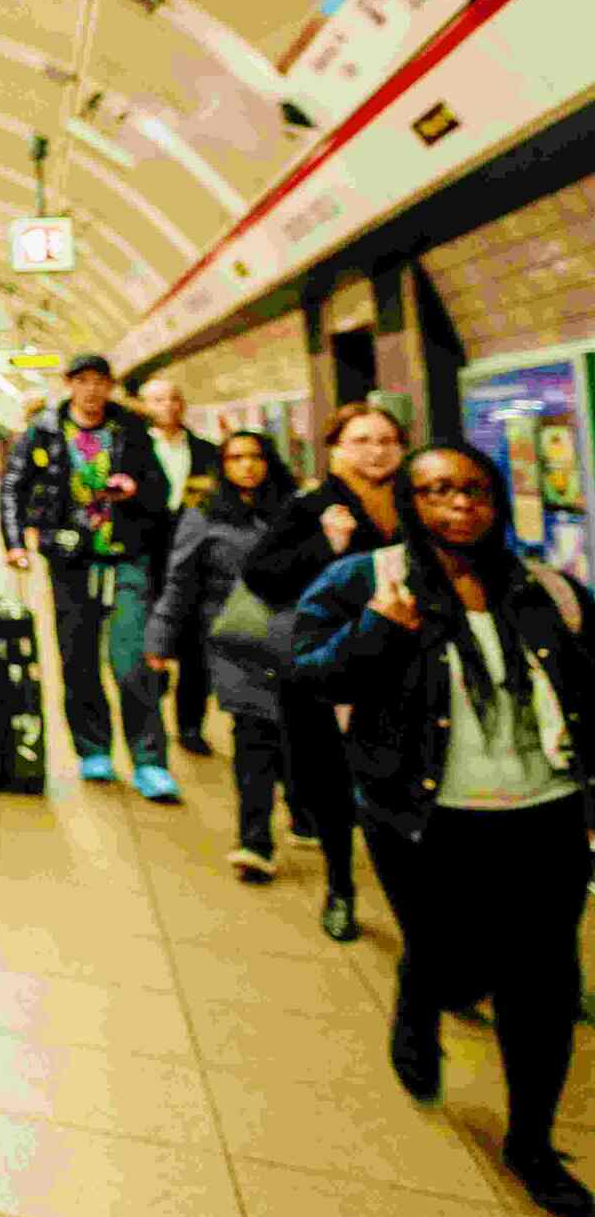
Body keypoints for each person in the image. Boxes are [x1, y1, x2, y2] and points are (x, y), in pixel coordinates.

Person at [289, 443, 594, 1217]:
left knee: (542, 984)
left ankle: (531, 1141)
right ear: (410, 502)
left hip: (545, 814)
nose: (459, 504)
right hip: (423, 818)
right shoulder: (369, 578)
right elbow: (310, 675)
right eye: (436, 491)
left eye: (474, 489)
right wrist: (378, 631)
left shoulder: (545, 586)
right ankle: (421, 994)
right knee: (451, 959)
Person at [241, 401, 407, 942]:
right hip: (325, 666)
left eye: (386, 440)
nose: (376, 451)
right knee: (331, 783)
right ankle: (341, 887)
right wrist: (326, 545)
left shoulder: (416, 501)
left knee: (404, 779)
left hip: (404, 667)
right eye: (361, 440)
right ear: (336, 449)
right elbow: (262, 576)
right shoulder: (311, 505)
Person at [3, 354, 181, 801]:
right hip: (70, 559)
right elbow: (14, 485)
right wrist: (15, 542)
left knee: (131, 663)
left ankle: (149, 761)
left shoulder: (131, 430)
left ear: (110, 386)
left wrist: (136, 490)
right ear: (69, 385)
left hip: (125, 557)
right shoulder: (42, 431)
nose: (92, 390)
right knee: (78, 659)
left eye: (100, 381)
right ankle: (93, 749)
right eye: (82, 381)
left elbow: (160, 491)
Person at [146, 432, 299, 882]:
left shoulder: (295, 511)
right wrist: (160, 640)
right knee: (253, 732)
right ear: (224, 466)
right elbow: (179, 582)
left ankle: (302, 808)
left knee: (291, 730)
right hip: (233, 639)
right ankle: (255, 842)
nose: (247, 466)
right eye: (236, 458)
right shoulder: (204, 515)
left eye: (255, 457)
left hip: (291, 633)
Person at [137, 377, 224, 755]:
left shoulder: (207, 452)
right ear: (144, 406)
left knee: (195, 647)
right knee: (148, 638)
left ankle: (190, 726)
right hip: (145, 557)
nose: (168, 406)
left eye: (174, 398)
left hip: (195, 559)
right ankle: (149, 710)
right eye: (158, 399)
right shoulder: (132, 449)